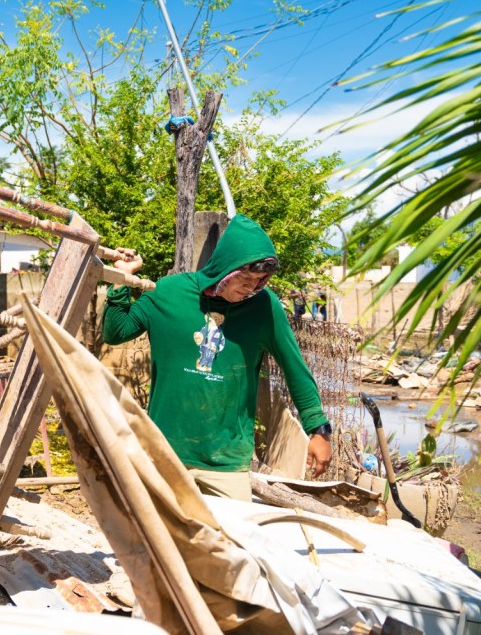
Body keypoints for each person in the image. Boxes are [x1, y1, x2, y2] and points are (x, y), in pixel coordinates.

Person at [102, 214, 332, 502]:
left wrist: (318, 429)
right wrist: (121, 281)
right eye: (245, 279)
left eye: (260, 281)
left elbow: (294, 368)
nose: (251, 289)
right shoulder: (169, 292)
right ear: (225, 269)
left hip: (227, 461)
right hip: (164, 452)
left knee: (234, 542)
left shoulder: (264, 307)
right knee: (158, 539)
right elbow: (116, 332)